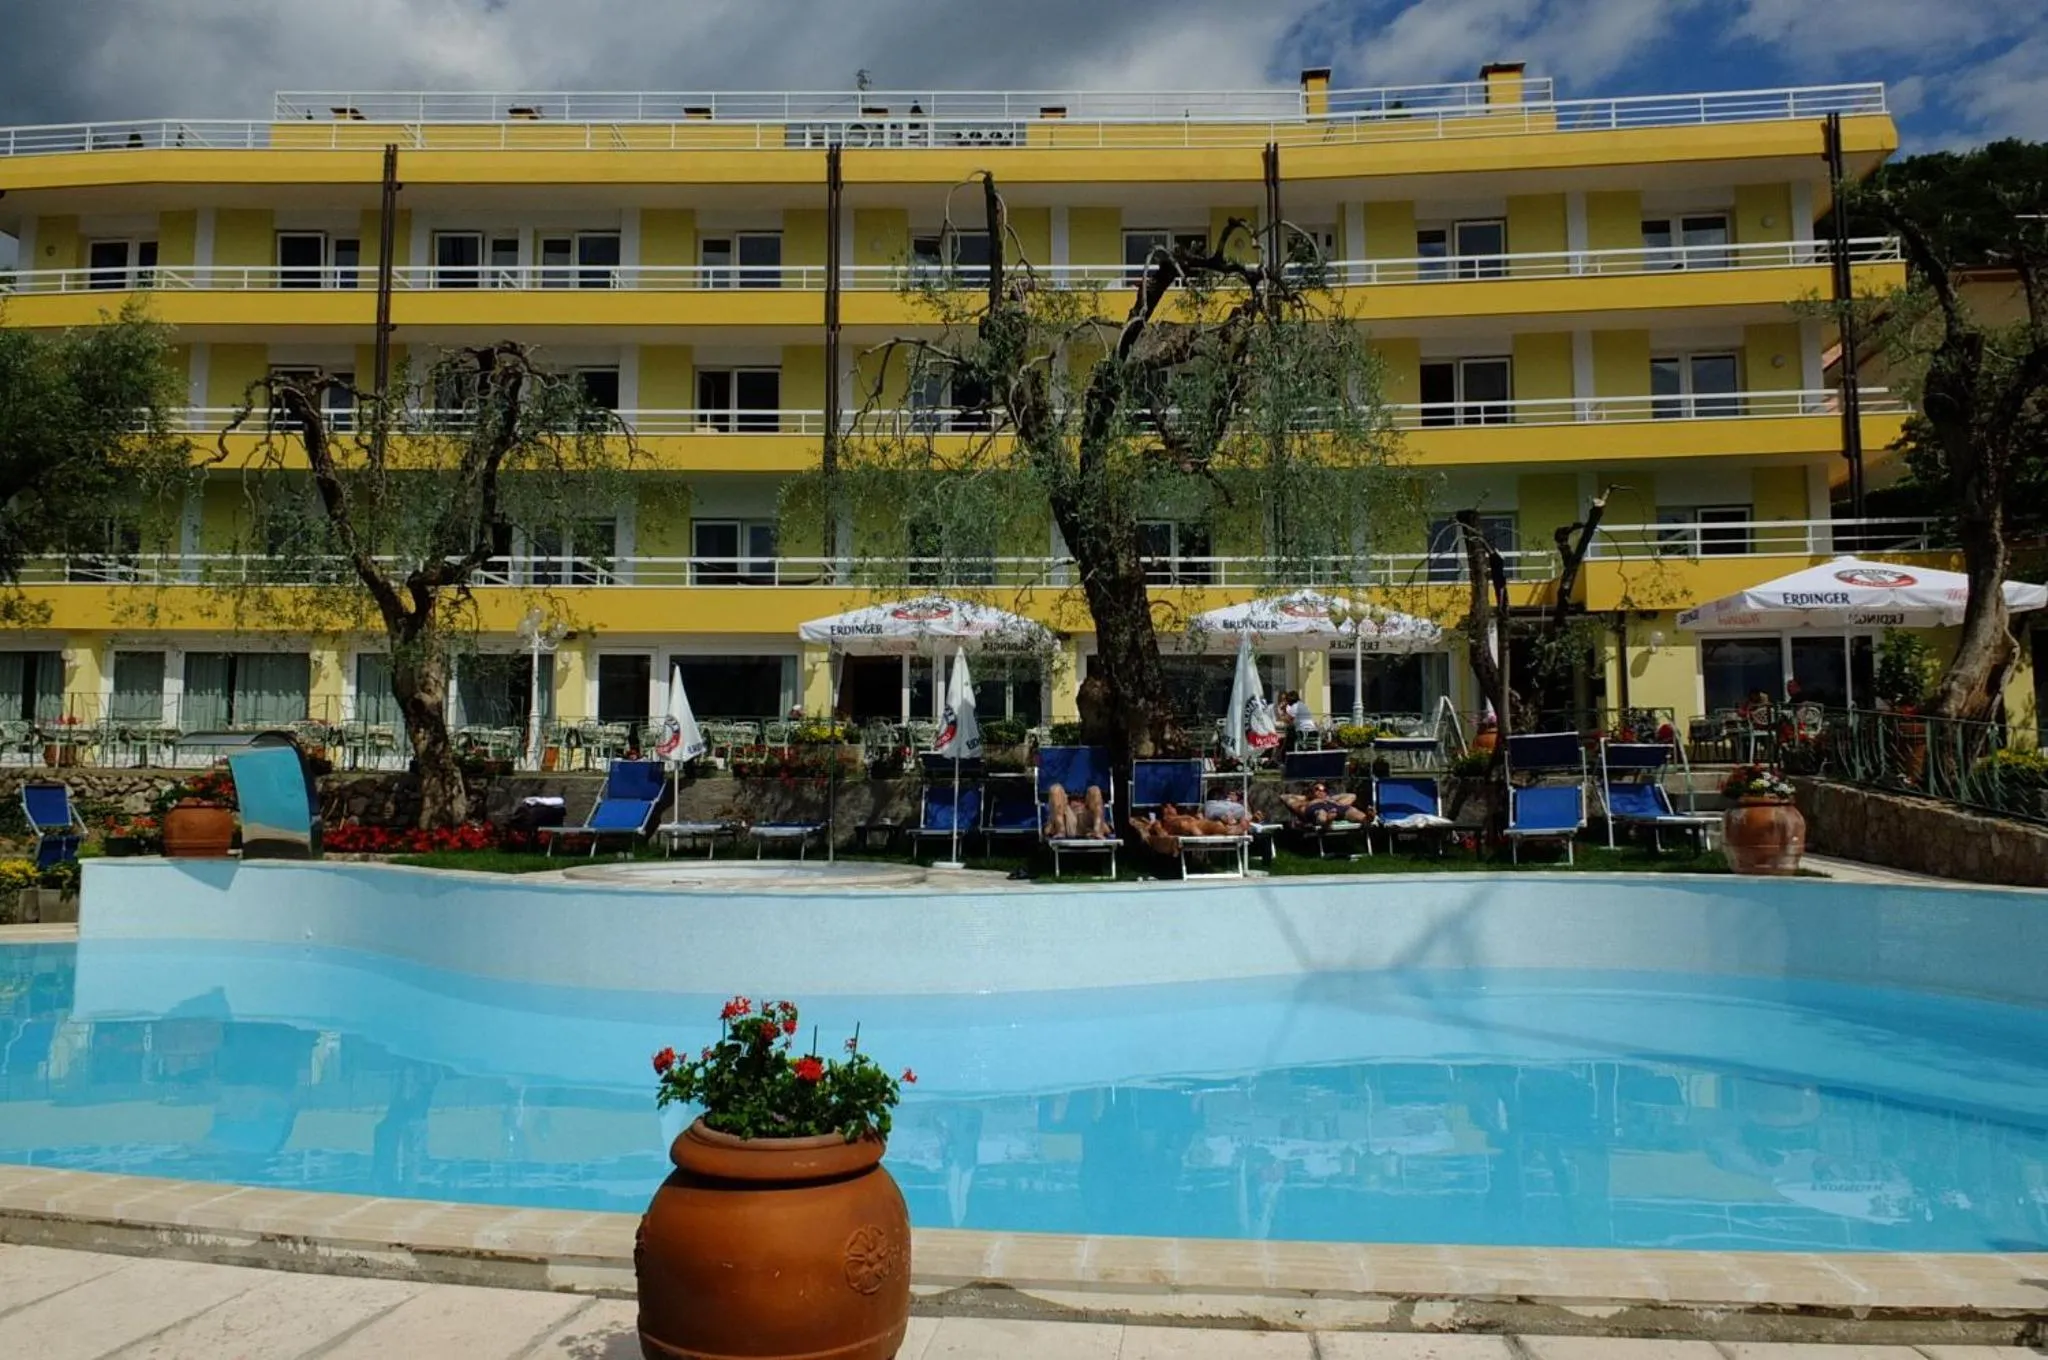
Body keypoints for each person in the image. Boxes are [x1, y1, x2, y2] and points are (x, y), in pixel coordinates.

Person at [1281, 781, 1370, 828]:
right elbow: (1284, 797)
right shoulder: (1307, 802)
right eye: (1317, 789)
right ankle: (1328, 821)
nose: (1321, 792)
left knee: (1351, 810)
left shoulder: (1330, 799)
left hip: (1334, 809)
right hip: (1317, 809)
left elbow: (1352, 796)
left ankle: (1367, 818)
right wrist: (1307, 798)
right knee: (1321, 812)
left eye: (1323, 790)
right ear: (1311, 792)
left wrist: (1330, 799)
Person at [1043, 782, 1114, 839]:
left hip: (1087, 819)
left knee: (1095, 790)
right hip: (1065, 817)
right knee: (1055, 789)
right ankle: (1060, 830)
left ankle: (1097, 830)